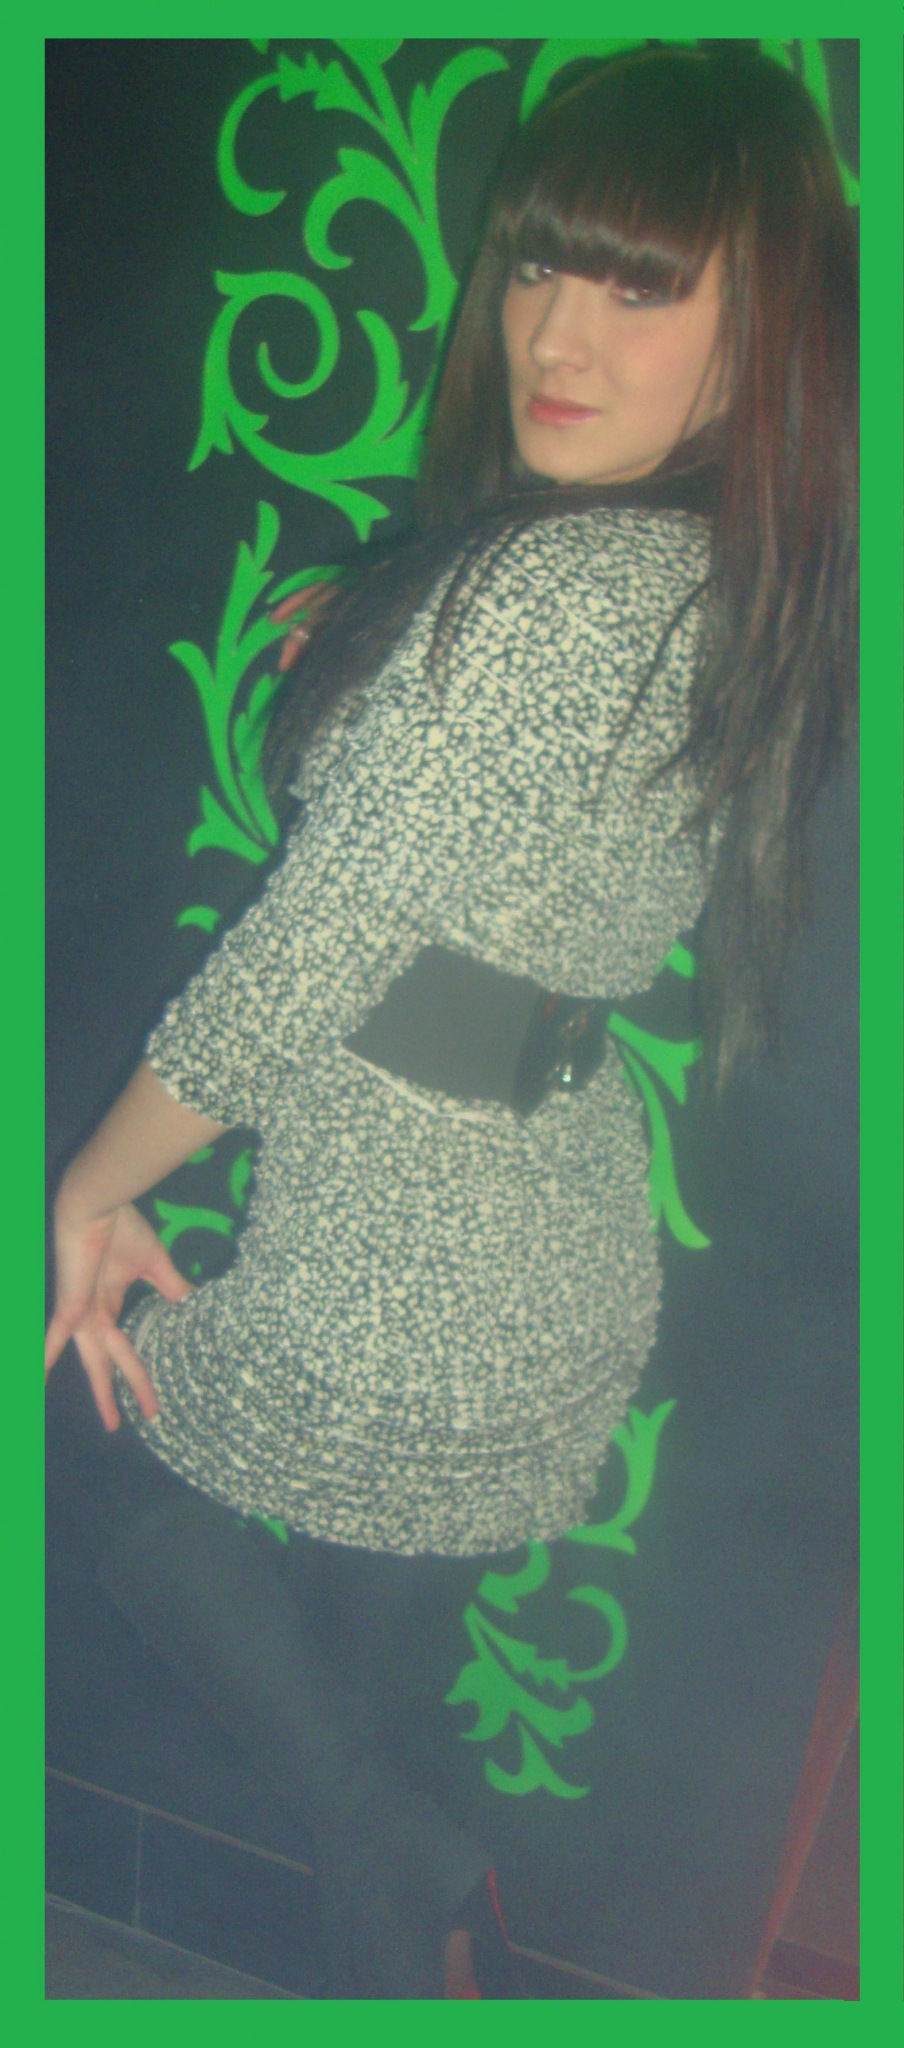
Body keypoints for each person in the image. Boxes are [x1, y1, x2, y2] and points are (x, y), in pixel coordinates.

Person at [45, 46, 857, 1998]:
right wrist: (392, 642)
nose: (556, 334)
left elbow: (295, 967)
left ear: (759, 328)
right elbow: (506, 851)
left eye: (638, 286)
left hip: (408, 1253)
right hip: (535, 1229)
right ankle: (403, 1912)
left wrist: (91, 1185)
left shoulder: (544, 600)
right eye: (538, 266)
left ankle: (398, 1881)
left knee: (96, 1458)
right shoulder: (713, 573)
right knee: (363, 1722)